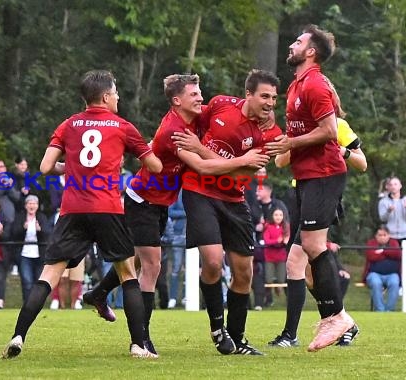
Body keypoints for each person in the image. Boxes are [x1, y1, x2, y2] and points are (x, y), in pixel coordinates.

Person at [82, 73, 270, 356]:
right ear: (176, 101)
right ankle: (141, 340)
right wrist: (244, 161)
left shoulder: (195, 118)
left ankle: (97, 294)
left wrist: (261, 119)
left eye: (200, 93)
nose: (201, 98)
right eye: (194, 95)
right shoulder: (174, 130)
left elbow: (225, 116)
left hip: (160, 203)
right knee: (152, 266)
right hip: (142, 200)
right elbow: (204, 167)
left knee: (133, 259)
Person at [1, 69, 163, 359]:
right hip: (107, 208)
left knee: (49, 274)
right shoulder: (123, 127)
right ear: (105, 96)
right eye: (115, 93)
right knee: (128, 275)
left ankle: (18, 336)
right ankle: (139, 345)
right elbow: (156, 167)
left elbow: (47, 166)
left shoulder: (69, 124)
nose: (118, 97)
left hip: (73, 209)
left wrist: (73, 168)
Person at [173, 69, 282, 355]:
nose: (270, 103)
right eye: (264, 96)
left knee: (244, 272)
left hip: (233, 198)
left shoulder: (271, 133)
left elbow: (238, 175)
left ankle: (238, 338)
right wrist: (186, 146)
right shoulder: (221, 104)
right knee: (212, 261)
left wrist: (201, 150)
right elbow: (192, 120)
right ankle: (217, 327)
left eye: (274, 97)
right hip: (199, 190)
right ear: (248, 94)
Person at [265, 24, 358, 352]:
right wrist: (284, 146)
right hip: (307, 177)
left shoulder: (315, 84)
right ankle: (335, 316)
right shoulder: (296, 86)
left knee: (314, 246)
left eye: (298, 41)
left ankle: (336, 316)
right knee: (308, 247)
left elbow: (330, 131)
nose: (292, 44)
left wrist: (291, 141)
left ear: (311, 52)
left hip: (325, 174)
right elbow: (299, 139)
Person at [12, 195, 50, 304]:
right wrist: (23, 229)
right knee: (27, 280)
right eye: (29, 203)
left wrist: (40, 230)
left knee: (38, 281)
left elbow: (48, 234)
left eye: (34, 203)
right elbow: (14, 234)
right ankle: (27, 304)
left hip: (39, 254)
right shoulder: (20, 217)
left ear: (37, 206)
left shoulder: (42, 217)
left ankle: (36, 304)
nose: (32, 205)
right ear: (26, 205)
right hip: (24, 254)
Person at [363, 225, 401, 311]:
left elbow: (397, 254)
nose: (382, 237)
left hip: (392, 274)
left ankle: (389, 311)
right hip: (374, 274)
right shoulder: (371, 243)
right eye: (380, 235)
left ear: (389, 235)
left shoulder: (394, 243)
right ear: (376, 236)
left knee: (395, 283)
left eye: (384, 235)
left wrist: (382, 251)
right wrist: (388, 253)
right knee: (376, 283)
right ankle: (380, 310)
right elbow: (371, 256)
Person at [378, 176, 406, 243]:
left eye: (395, 184)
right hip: (390, 235)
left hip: (405, 235)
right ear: (388, 187)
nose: (393, 186)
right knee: (392, 253)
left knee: (405, 253)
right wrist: (388, 211)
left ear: (400, 186)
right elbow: (382, 218)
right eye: (391, 185)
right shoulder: (383, 202)